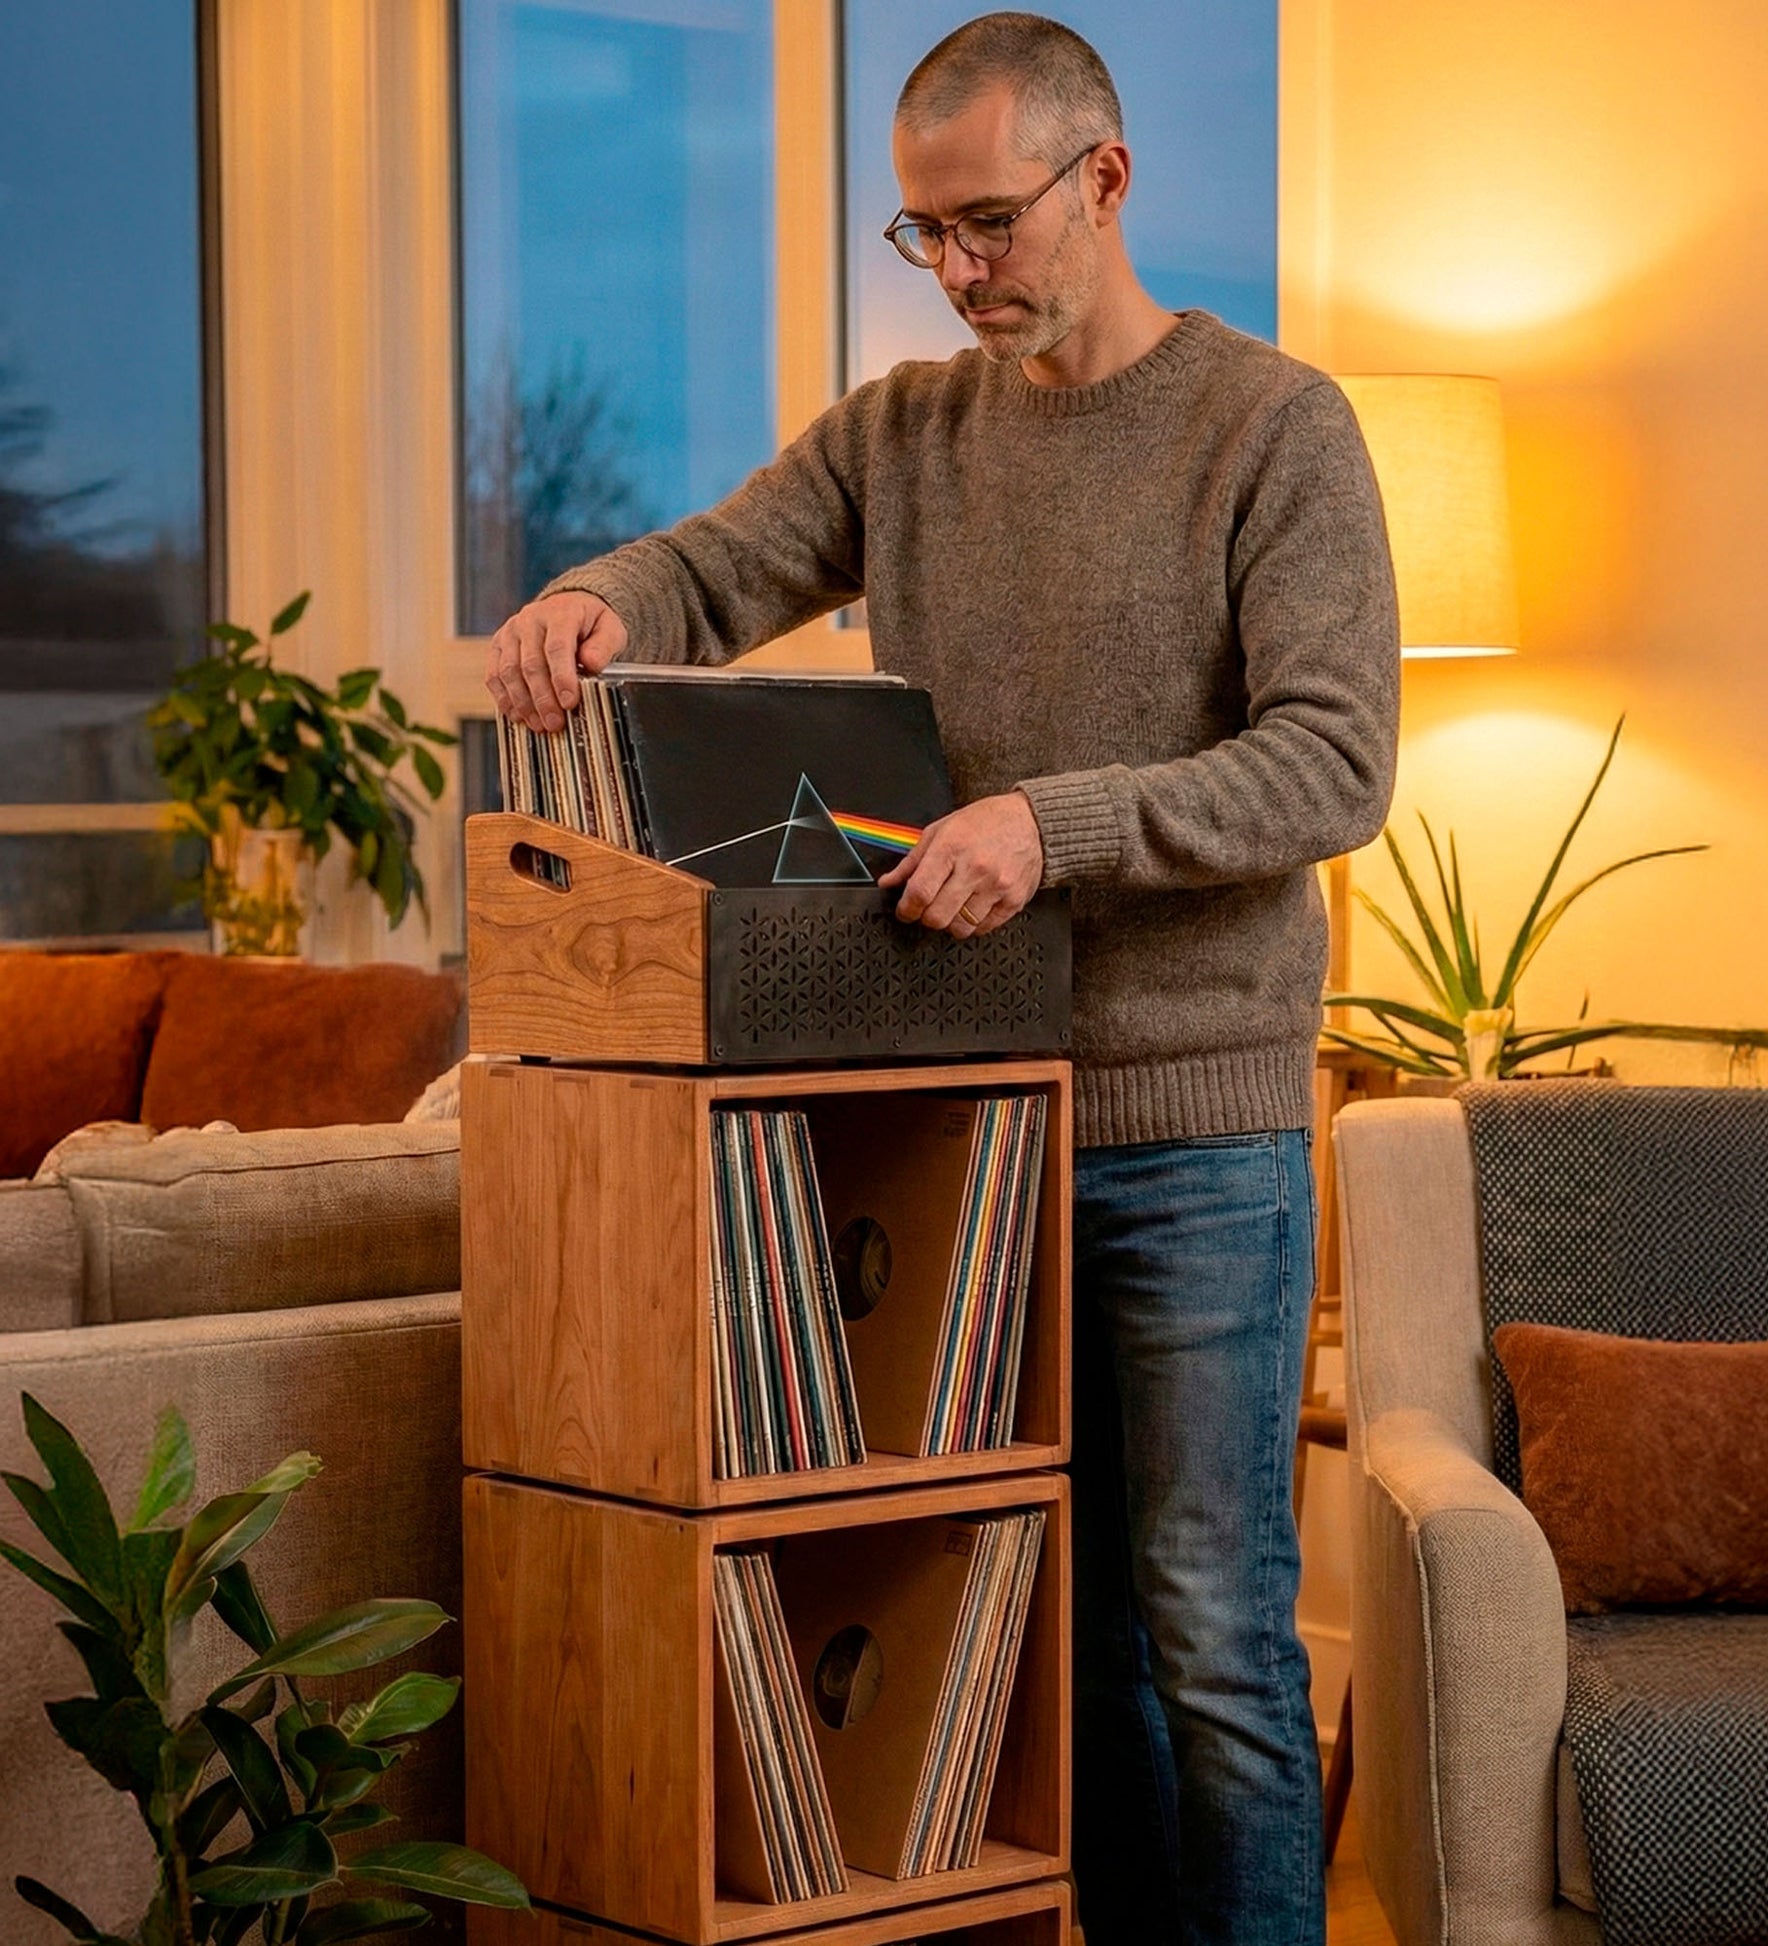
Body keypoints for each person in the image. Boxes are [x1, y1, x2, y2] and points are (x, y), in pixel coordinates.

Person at [487, 14, 1398, 1942]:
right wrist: (602, 599)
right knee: (1074, 1644)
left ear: (1109, 179)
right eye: (926, 236)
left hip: (1192, 1130)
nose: (961, 270)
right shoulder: (902, 433)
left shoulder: (1276, 426)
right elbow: (724, 561)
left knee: (1215, 1638)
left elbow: (1335, 763)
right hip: (955, 1125)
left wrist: (1046, 825)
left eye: (989, 222)